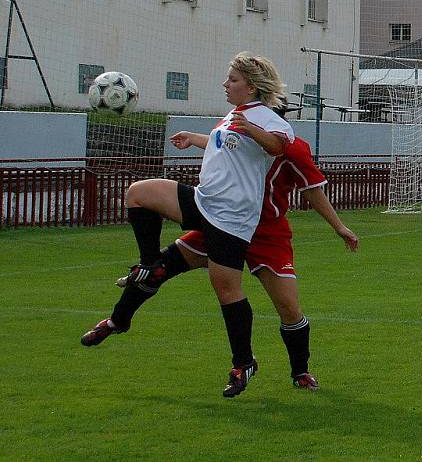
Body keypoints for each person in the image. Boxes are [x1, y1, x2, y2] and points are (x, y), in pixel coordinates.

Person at [81, 52, 294, 398]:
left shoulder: (268, 119)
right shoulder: (235, 115)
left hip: (231, 218)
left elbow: (279, 147)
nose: (226, 85)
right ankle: (147, 266)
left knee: (226, 291)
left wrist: (252, 129)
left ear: (251, 87)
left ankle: (244, 362)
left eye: (233, 80)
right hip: (203, 200)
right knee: (139, 193)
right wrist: (197, 139)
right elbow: (230, 147)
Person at [83, 134, 358, 391]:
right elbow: (224, 143)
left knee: (288, 307)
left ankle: (300, 372)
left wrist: (339, 226)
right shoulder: (241, 127)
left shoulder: (293, 147)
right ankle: (117, 321)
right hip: (225, 222)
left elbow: (312, 190)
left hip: (266, 233)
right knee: (158, 269)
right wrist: (193, 138)